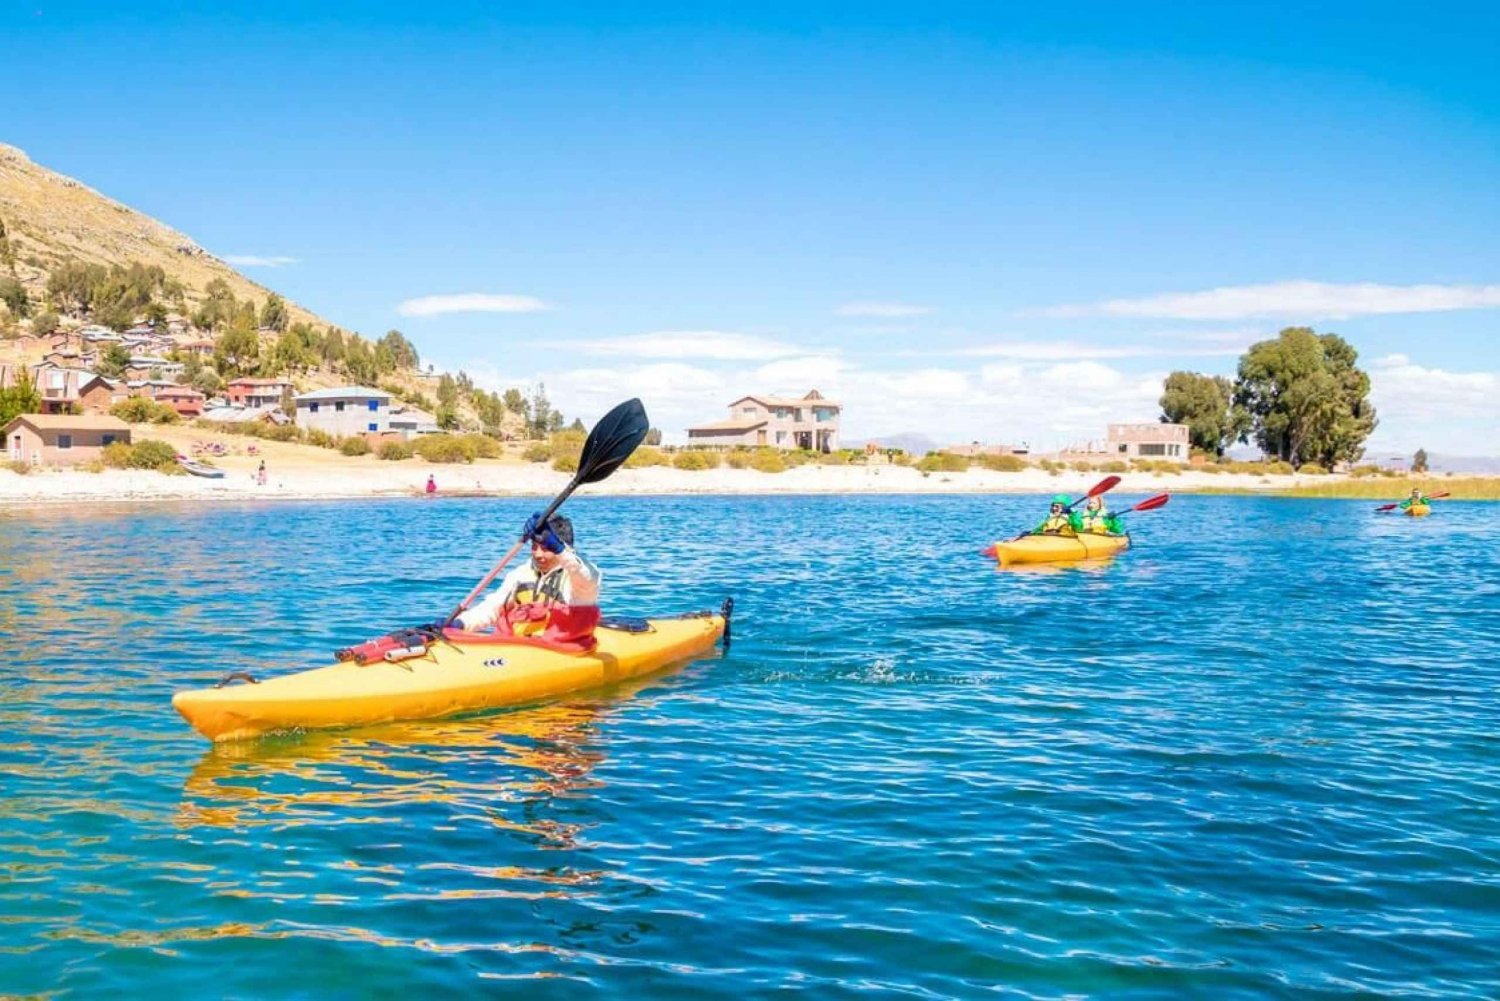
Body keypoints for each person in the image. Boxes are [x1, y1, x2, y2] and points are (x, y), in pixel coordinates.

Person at [451, 512, 601, 647]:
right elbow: (493, 607)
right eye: (534, 547)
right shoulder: (520, 574)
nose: (538, 554)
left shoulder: (580, 576)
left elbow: (586, 577)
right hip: (515, 650)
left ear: (565, 548)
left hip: (561, 652)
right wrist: (461, 623)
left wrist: (560, 549)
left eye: (547, 548)